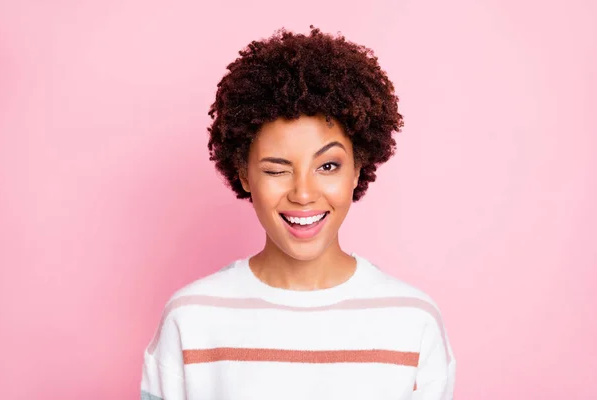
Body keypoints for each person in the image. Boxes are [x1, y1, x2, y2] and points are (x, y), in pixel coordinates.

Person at [140, 26, 456, 400]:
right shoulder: (191, 319)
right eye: (276, 170)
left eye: (328, 167)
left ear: (358, 168)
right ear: (243, 173)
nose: (303, 194)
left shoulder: (413, 320)